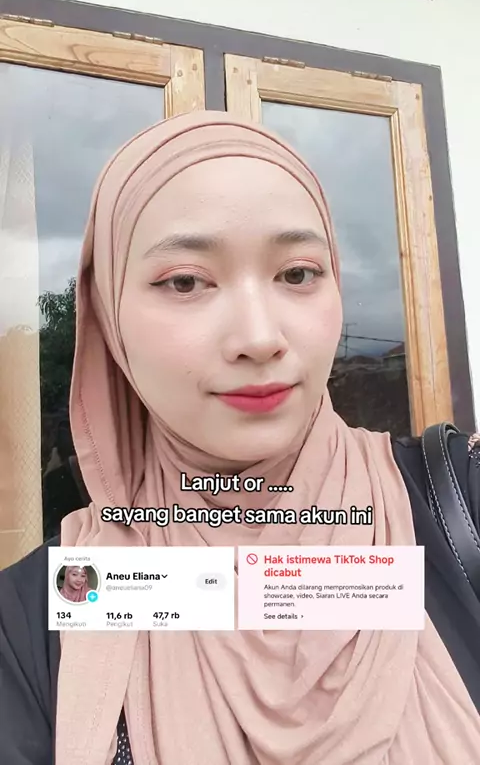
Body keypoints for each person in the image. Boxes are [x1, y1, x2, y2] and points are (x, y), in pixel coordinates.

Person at [0, 110, 479, 765]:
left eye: (297, 274)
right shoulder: (43, 612)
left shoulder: (460, 508)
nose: (259, 338)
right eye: (186, 281)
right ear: (109, 316)